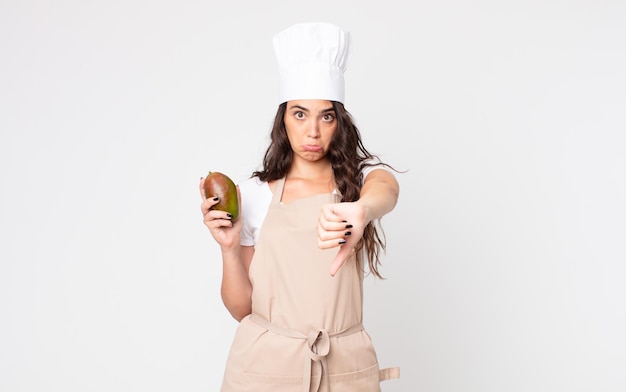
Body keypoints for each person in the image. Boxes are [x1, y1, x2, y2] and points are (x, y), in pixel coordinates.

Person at [199, 22, 400, 391]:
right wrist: (228, 249)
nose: (313, 132)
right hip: (265, 371)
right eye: (300, 114)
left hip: (343, 369)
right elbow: (243, 309)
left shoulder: (356, 184)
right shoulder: (256, 194)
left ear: (339, 122)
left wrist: (363, 209)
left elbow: (387, 185)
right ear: (284, 119)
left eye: (326, 116)